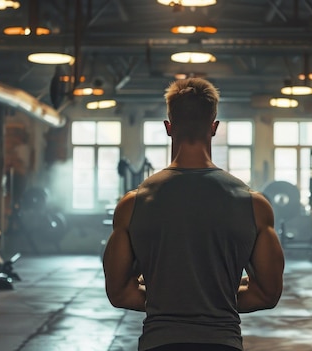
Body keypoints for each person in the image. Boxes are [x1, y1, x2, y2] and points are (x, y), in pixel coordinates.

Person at [102, 77, 285, 351]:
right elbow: (267, 293)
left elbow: (119, 292)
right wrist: (214, 300)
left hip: (159, 343)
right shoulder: (254, 204)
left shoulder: (133, 204)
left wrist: (170, 301)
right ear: (214, 128)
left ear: (168, 127)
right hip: (223, 343)